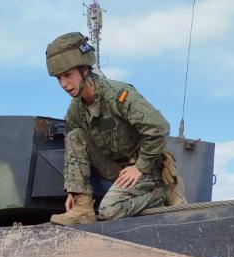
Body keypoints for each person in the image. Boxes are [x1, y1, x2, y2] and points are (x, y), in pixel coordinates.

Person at [46, 31, 172, 226]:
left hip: (144, 171)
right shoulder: (76, 109)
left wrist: (140, 167)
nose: (64, 84)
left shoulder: (118, 96)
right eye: (58, 78)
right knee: (74, 136)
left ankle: (161, 193)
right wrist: (75, 191)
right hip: (114, 169)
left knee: (109, 211)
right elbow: (75, 149)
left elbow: (159, 128)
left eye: (68, 75)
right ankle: (82, 209)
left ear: (85, 70)